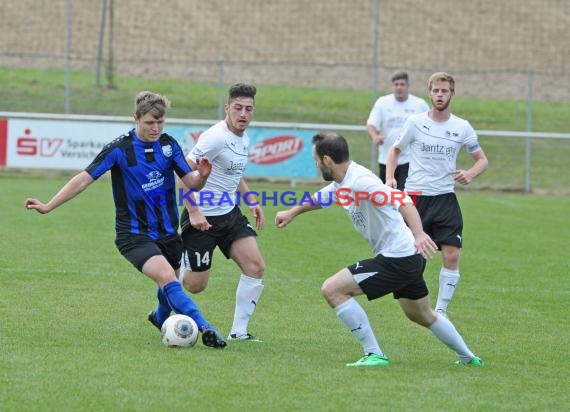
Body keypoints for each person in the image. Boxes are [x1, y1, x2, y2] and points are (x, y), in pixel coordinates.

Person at [25, 91, 227, 349]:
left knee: (170, 284)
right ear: (136, 118)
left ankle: (160, 316)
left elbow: (192, 184)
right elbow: (84, 179)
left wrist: (204, 177)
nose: (156, 128)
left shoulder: (169, 145)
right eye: (150, 123)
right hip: (133, 235)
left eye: (160, 122)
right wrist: (48, 205)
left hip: (167, 232)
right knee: (168, 278)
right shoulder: (119, 149)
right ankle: (205, 327)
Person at [275, 132, 483, 367]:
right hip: (407, 257)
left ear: (327, 160)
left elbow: (403, 201)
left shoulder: (362, 181)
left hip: (399, 258)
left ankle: (373, 353)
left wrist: (419, 234)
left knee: (332, 289)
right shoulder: (345, 180)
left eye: (315, 160)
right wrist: (292, 212)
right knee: (421, 314)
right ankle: (468, 357)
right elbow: (326, 196)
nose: (315, 165)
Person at [385, 72, 489, 318]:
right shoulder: (415, 122)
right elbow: (395, 150)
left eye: (444, 91)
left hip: (445, 198)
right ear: (429, 93)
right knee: (410, 255)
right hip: (416, 198)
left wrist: (471, 173)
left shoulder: (461, 127)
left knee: (452, 252)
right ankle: (412, 301)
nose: (440, 95)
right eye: (436, 91)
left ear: (452, 93)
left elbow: (482, 160)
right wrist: (390, 177)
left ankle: (441, 309)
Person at [178, 83, 265, 342]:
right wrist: (193, 211)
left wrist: (251, 200)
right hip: (202, 217)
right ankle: (172, 273)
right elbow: (182, 175)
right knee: (196, 286)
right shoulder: (215, 137)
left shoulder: (243, 136)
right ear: (227, 107)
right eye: (238, 108)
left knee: (255, 266)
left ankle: (239, 332)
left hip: (230, 214)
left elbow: (233, 173)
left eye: (248, 109)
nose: (243, 114)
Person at [366, 71, 429, 190]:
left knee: (405, 196)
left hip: (409, 159)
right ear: (392, 86)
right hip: (386, 159)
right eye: (396, 84)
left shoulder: (419, 104)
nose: (399, 87)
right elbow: (371, 124)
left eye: (402, 84)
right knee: (386, 196)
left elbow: (429, 124)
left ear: (408, 86)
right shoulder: (382, 102)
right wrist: (375, 136)